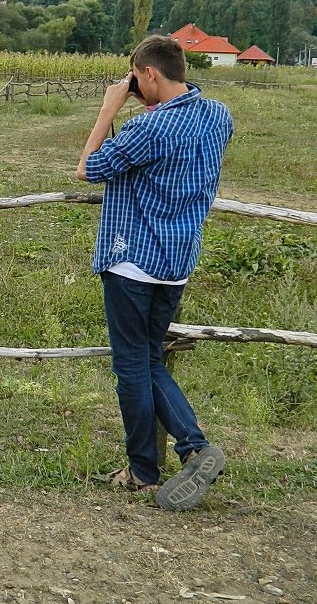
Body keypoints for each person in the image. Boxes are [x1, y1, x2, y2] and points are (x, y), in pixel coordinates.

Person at [75, 34, 233, 511]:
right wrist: (147, 104)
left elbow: (88, 168)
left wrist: (108, 110)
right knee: (150, 360)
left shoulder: (150, 130)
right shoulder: (218, 115)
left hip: (132, 261)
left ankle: (144, 470)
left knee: (131, 368)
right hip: (177, 262)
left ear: (147, 75)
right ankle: (192, 448)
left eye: (135, 78)